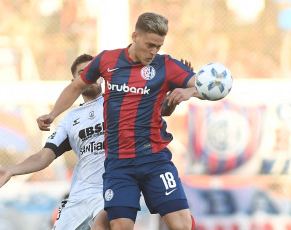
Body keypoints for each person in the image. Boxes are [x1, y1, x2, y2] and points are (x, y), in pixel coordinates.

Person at [36, 12, 204, 230]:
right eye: (150, 45)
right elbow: (76, 86)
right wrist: (53, 113)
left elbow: (208, 86)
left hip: (154, 159)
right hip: (119, 164)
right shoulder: (107, 60)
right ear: (135, 36)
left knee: (181, 225)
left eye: (159, 46)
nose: (154, 52)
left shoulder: (166, 65)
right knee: (120, 226)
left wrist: (190, 91)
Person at [0, 54, 110, 230]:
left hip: (109, 190)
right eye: (82, 72)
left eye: (93, 71)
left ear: (102, 75)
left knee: (102, 225)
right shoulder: (69, 119)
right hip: (79, 195)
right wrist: (12, 170)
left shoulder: (118, 104)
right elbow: (44, 156)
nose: (89, 76)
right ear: (74, 81)